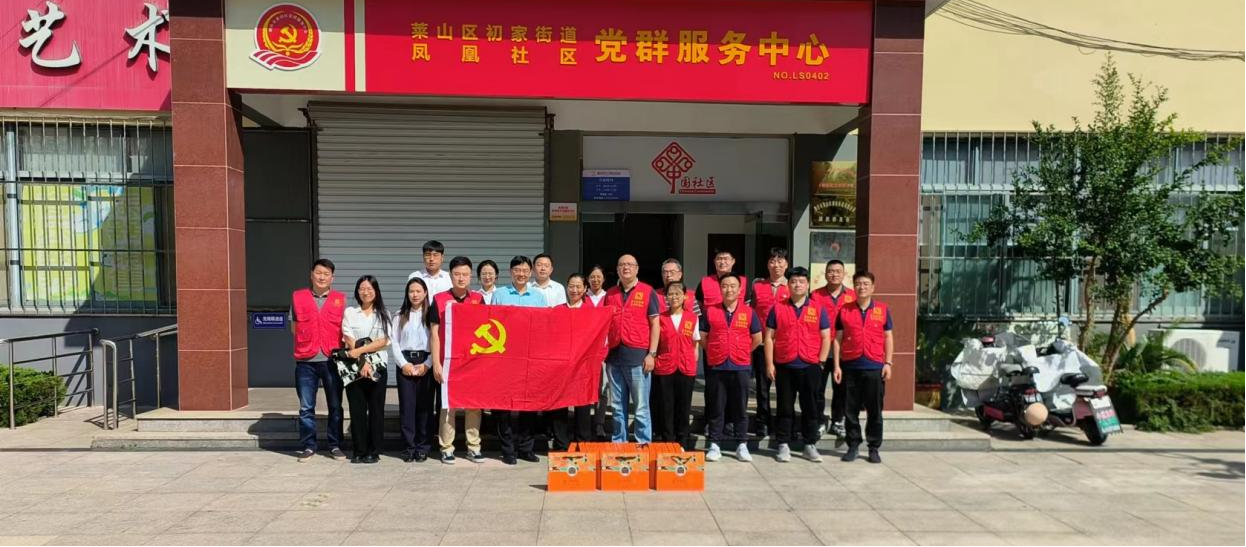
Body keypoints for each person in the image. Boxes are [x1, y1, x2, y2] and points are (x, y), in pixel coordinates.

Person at [765, 266, 831, 463]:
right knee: (784, 407)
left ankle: (809, 444)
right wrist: (769, 363)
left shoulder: (818, 309)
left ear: (808, 284)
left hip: (810, 364)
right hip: (785, 364)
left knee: (810, 407)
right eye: (793, 282)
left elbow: (826, 336)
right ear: (788, 285)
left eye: (801, 281)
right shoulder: (778, 308)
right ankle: (783, 444)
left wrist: (821, 361)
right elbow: (768, 338)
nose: (797, 285)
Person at [491, 256, 548, 465]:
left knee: (528, 405)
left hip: (529, 358)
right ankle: (507, 449)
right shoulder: (499, 294)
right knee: (503, 406)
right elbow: (491, 324)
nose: (521, 274)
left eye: (525, 270)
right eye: (517, 270)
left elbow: (544, 326)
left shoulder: (539, 297)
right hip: (505, 357)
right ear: (511, 272)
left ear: (530, 273)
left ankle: (526, 448)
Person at [429, 256, 486, 464]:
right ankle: (446, 447)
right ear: (450, 275)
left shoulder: (478, 299)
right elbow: (434, 334)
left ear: (471, 276)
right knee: (447, 405)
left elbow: (485, 331)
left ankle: (474, 446)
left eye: (465, 274)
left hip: (471, 362)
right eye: (457, 274)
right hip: (448, 361)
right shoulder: (439, 299)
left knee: (474, 405)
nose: (461, 278)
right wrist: (436, 363)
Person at [290, 259, 349, 462]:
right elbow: (294, 328)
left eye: (326, 274)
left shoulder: (341, 299)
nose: (322, 277)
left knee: (335, 405)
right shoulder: (298, 297)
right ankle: (309, 446)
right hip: (306, 361)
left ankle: (335, 445)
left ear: (332, 278)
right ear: (311, 274)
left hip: (332, 360)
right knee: (306, 407)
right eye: (318, 273)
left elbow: (346, 329)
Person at [699, 275, 762, 462]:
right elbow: (703, 336)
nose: (729, 290)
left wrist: (742, 350)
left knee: (740, 407)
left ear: (740, 290)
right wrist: (715, 350)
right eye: (725, 286)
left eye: (733, 286)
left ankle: (742, 444)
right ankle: (715, 444)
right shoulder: (710, 311)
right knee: (717, 406)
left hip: (740, 365)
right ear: (720, 289)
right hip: (717, 366)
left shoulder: (749, 312)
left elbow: (757, 338)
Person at [833, 271, 894, 464]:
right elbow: (837, 339)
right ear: (854, 286)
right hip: (850, 366)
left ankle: (873, 447)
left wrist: (888, 363)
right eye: (858, 283)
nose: (862, 287)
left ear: (873, 287)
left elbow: (888, 337)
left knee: (874, 410)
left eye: (866, 284)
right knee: (850, 410)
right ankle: (853, 445)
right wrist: (837, 366)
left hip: (874, 366)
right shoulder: (845, 310)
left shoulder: (882, 310)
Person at [604, 254, 660, 445]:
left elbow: (655, 324)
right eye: (622, 264)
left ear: (637, 269)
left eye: (630, 264)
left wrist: (652, 354)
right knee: (617, 407)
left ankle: (643, 443)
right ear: (617, 269)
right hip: (614, 358)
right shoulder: (610, 294)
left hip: (638, 358)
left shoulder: (647, 291)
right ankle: (618, 442)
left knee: (641, 407)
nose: (625, 267)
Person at [341, 275, 392, 464]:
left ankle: (374, 450)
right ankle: (359, 450)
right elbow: (348, 338)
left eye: (370, 288)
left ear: (376, 291)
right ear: (357, 291)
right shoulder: (350, 312)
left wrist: (361, 352)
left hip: (378, 368)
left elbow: (384, 341)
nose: (366, 292)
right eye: (362, 288)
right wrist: (362, 362)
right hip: (354, 369)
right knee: (357, 410)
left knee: (376, 410)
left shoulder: (384, 314)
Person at [390, 278, 436, 463]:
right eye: (411, 291)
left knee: (425, 407)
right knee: (407, 407)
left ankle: (423, 447)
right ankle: (409, 447)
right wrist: (404, 364)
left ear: (425, 293)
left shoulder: (432, 315)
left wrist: (428, 364)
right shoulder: (399, 315)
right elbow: (394, 342)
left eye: (418, 291)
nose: (415, 295)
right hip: (405, 362)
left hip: (426, 361)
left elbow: (437, 340)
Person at [550, 273, 598, 450]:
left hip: (583, 365)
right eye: (571, 286)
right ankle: (561, 443)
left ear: (585, 289)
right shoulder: (557, 310)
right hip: (561, 365)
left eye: (578, 286)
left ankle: (582, 443)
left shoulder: (592, 312)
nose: (574, 290)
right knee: (559, 403)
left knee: (582, 404)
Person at [810, 259, 857, 441]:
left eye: (838, 271)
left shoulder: (852, 295)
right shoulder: (815, 295)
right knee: (818, 388)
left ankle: (838, 420)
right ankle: (819, 420)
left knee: (842, 389)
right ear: (825, 274)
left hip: (843, 350)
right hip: (820, 349)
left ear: (844, 274)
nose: (834, 274)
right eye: (831, 271)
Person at [651, 281, 699, 448]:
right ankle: (668, 441)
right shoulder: (660, 318)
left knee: (684, 407)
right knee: (666, 406)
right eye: (670, 294)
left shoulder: (692, 318)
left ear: (685, 296)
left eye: (677, 293)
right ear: (666, 297)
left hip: (686, 367)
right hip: (665, 366)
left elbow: (695, 344)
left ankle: (682, 441)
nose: (674, 297)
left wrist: (693, 362)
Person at [750, 248, 790, 440]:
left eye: (780, 261)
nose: (776, 265)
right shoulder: (758, 286)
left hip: (784, 344)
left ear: (786, 264)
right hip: (761, 345)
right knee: (762, 388)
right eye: (772, 261)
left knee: (784, 388)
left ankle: (782, 423)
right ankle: (762, 422)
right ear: (767, 264)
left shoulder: (793, 286)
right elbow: (751, 312)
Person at [586, 264, 611, 439]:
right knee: (584, 387)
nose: (595, 280)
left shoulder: (609, 298)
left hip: (603, 350)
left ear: (603, 279)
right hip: (584, 351)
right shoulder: (582, 297)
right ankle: (584, 424)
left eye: (598, 277)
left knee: (602, 388)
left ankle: (599, 424)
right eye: (592, 277)